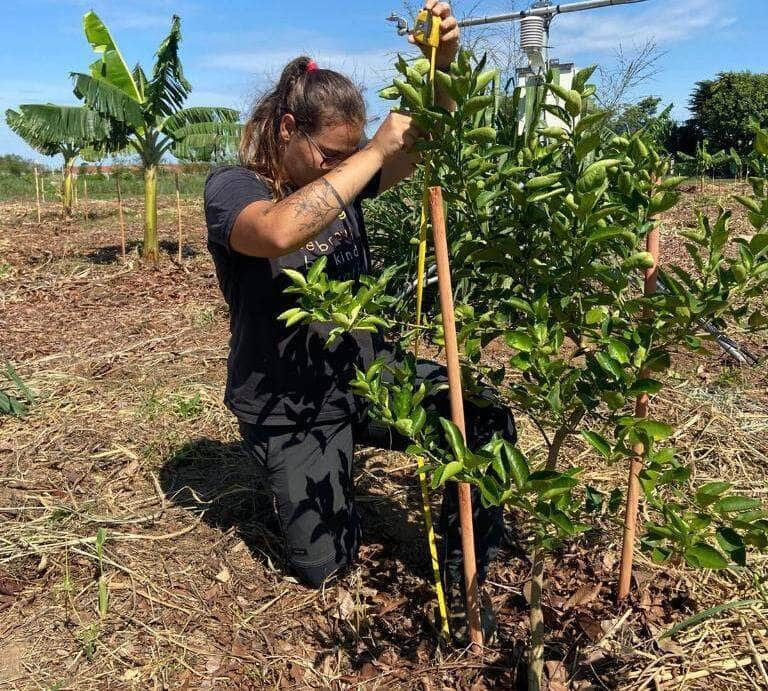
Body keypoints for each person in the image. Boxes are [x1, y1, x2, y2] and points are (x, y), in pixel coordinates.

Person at [204, 2, 515, 641]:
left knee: (479, 413)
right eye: (331, 154)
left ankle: (476, 561)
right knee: (325, 567)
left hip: (367, 373)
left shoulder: (341, 172)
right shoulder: (233, 188)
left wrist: (441, 65)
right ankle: (300, 481)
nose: (340, 169)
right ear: (287, 128)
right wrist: (370, 152)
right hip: (290, 403)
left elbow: (421, 137)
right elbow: (280, 229)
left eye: (350, 155)